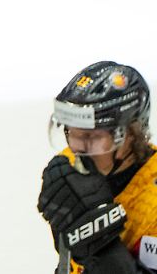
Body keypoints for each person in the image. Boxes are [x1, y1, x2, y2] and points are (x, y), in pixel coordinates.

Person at [38, 61, 157, 273]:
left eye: (91, 136)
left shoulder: (152, 201)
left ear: (131, 133)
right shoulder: (70, 167)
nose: (76, 149)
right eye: (70, 132)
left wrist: (100, 245)